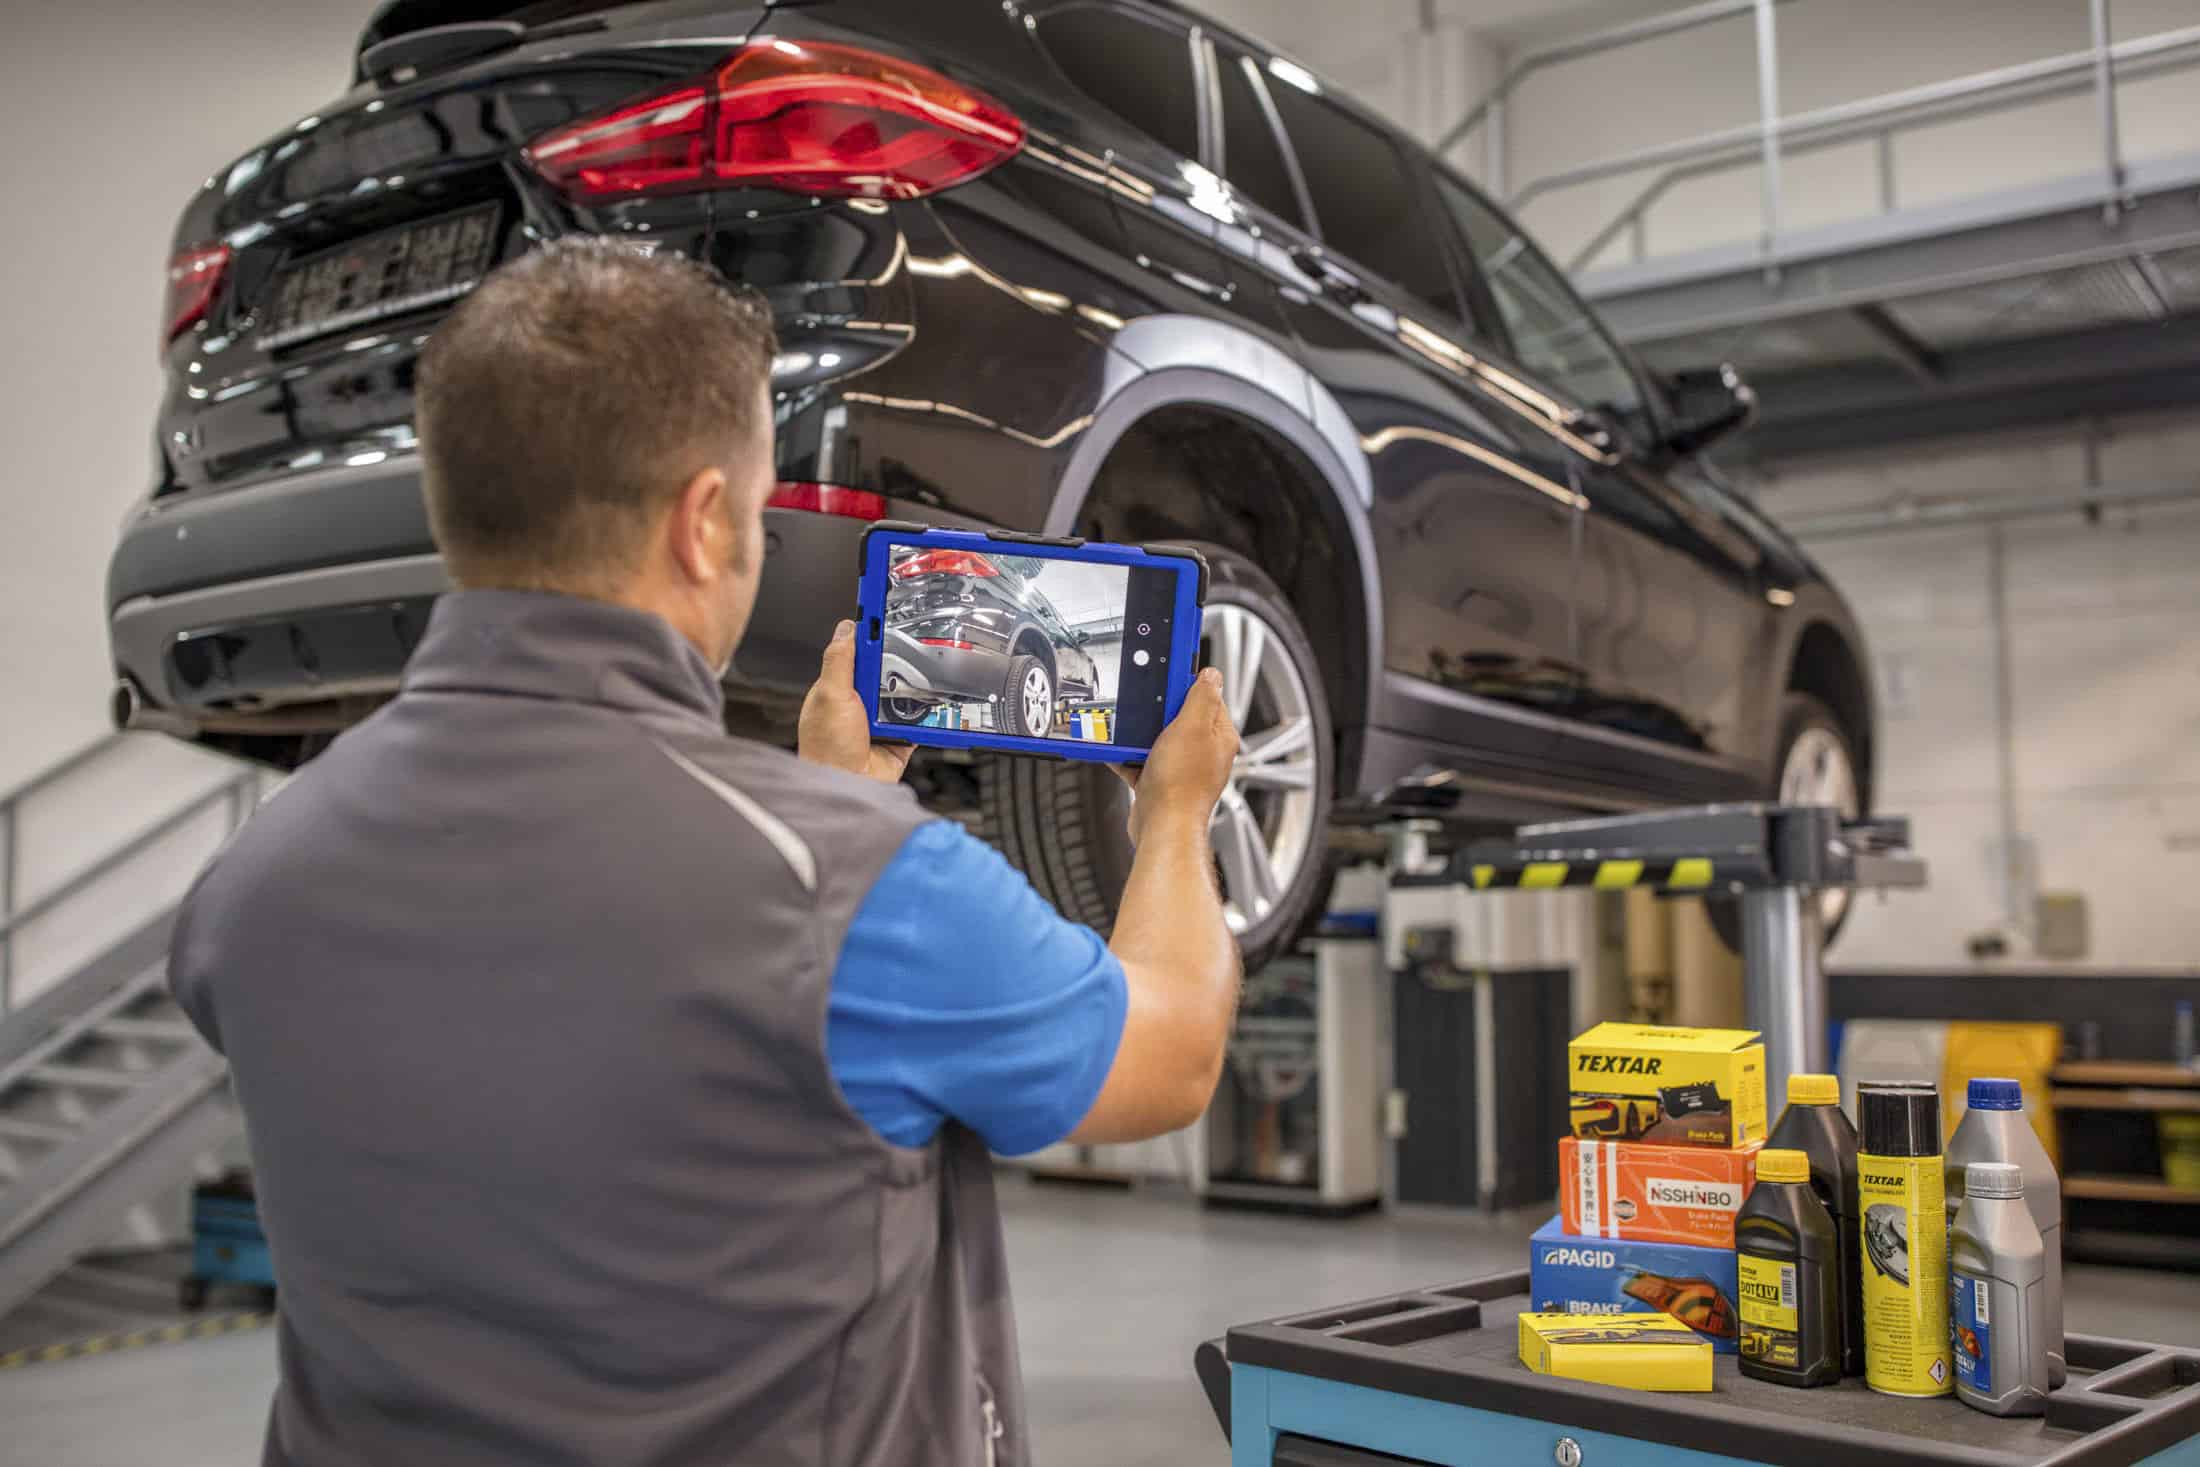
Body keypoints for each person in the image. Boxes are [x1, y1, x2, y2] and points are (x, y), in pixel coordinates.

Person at [168, 240, 1242, 1467]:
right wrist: (1172, 814)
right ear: (706, 520)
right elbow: (1170, 1055)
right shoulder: (860, 890)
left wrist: (824, 805)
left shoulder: (256, 879)